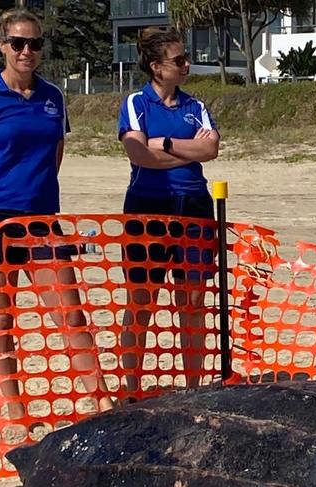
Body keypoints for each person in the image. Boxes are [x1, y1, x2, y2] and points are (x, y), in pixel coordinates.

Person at [0, 8, 114, 429]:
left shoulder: (53, 96)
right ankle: (16, 412)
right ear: (1, 46)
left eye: (34, 43)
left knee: (71, 312)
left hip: (42, 218)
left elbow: (56, 153)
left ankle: (101, 402)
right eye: (18, 43)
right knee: (0, 317)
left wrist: (37, 193)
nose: (26, 51)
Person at [117, 28, 219, 395]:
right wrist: (185, 152)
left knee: (192, 300)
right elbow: (138, 154)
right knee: (141, 299)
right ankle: (131, 388)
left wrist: (169, 144)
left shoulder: (196, 107)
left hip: (194, 206)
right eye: (179, 60)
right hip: (148, 206)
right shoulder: (135, 103)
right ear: (157, 67)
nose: (187, 64)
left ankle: (193, 389)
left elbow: (211, 152)